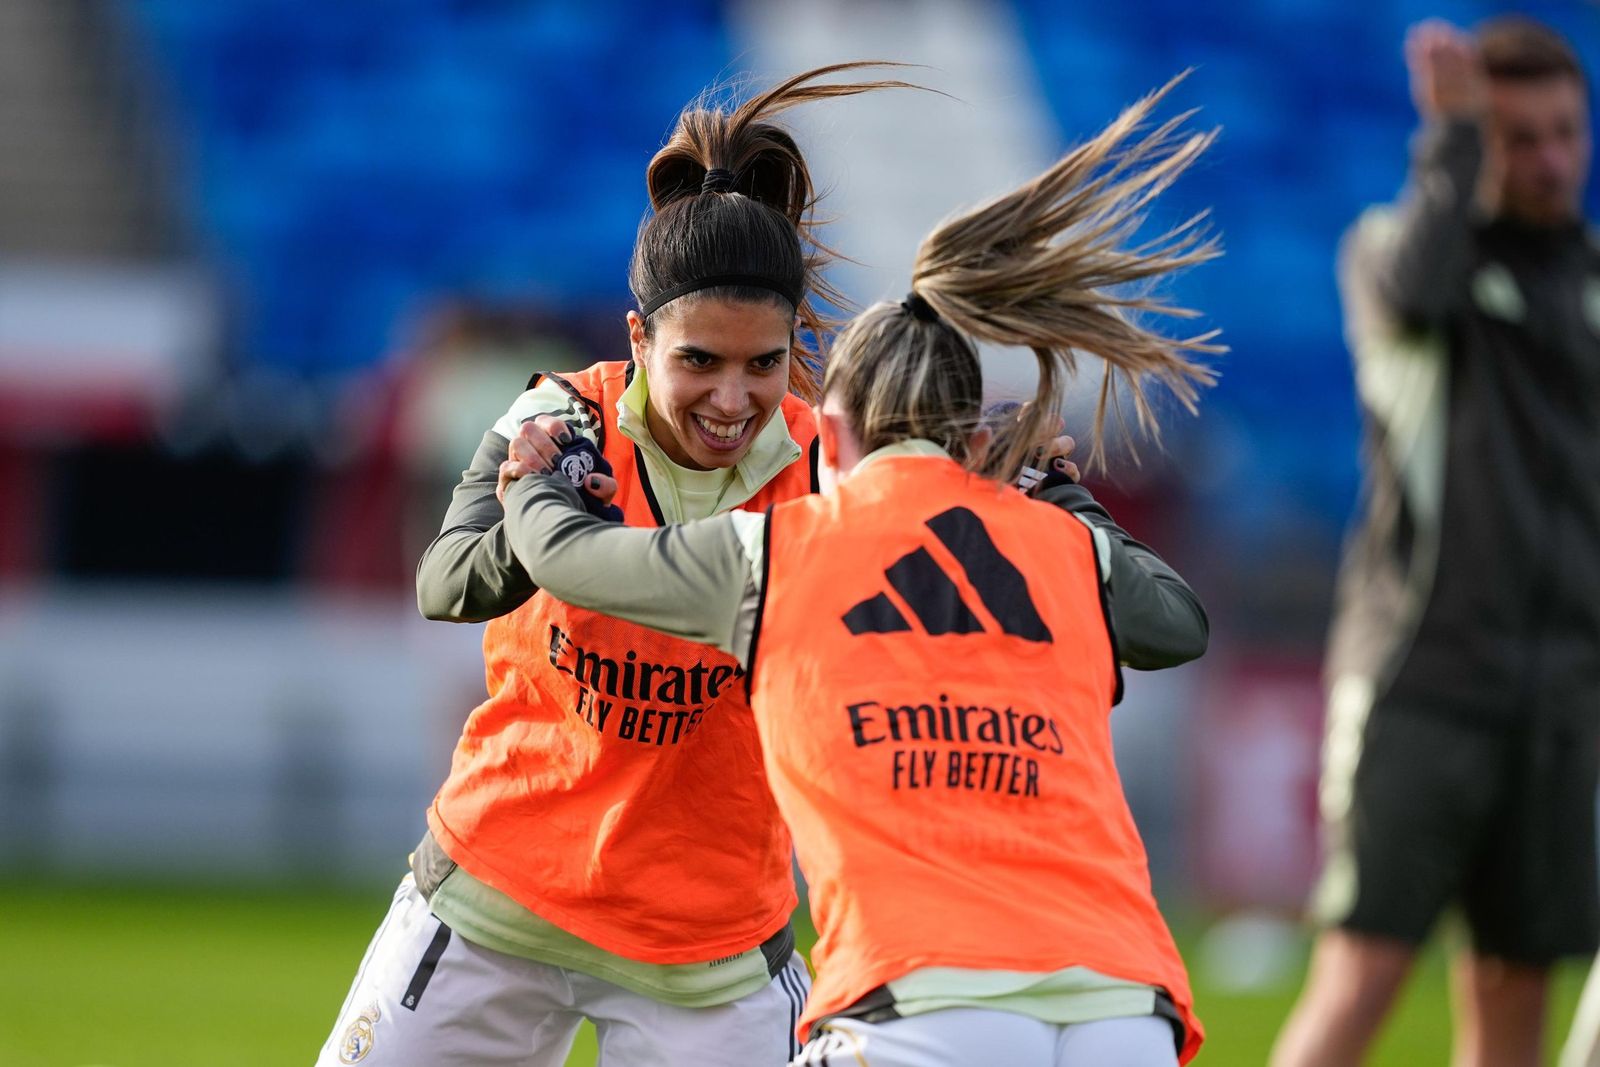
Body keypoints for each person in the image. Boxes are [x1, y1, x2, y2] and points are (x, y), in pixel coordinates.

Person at [497, 79, 1220, 1066]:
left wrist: (539, 474)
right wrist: (1059, 490)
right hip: (1124, 1001)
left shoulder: (786, 546)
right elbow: (1177, 623)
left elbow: (572, 562)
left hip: (920, 996)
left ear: (828, 431)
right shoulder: (1056, 542)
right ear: (969, 436)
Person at [316, 64, 917, 1067]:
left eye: (762, 363)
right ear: (639, 338)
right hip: (496, 898)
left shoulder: (830, 468)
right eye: (699, 361)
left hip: (712, 948)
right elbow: (443, 584)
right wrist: (537, 508)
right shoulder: (558, 415)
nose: (733, 398)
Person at [1271, 17, 1599, 1067]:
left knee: (1514, 989)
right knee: (1362, 971)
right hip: (1422, 674)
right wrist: (1450, 144)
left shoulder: (1591, 283)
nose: (1548, 160)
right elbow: (1414, 288)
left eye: (1563, 132)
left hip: (1558, 692)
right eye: (1517, 138)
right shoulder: (1393, 257)